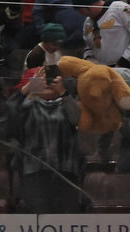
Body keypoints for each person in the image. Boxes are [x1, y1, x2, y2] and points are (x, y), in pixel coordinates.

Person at [8, 66, 83, 214]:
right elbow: (8, 113)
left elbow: (76, 119)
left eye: (51, 78)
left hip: (66, 173)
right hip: (34, 174)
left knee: (66, 218)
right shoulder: (27, 106)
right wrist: (28, 88)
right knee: (39, 217)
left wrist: (63, 92)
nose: (48, 83)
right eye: (42, 80)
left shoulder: (67, 103)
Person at [80, 0, 130, 76]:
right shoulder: (88, 22)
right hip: (103, 75)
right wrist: (89, 60)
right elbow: (89, 46)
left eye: (80, 10)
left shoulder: (120, 8)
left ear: (88, 7)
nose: (81, 14)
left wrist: (123, 63)